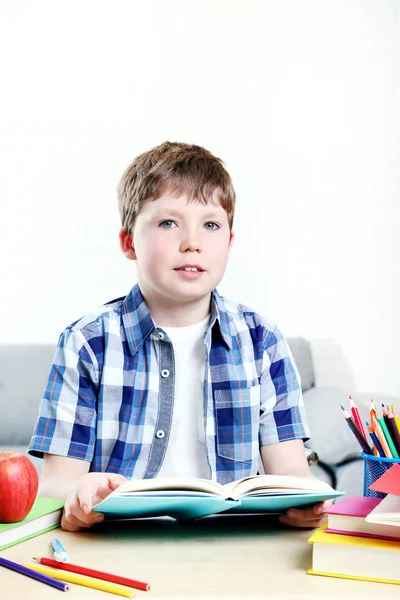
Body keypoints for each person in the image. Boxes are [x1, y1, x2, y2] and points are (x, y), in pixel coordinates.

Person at [29, 141, 330, 532]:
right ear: (128, 242)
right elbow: (55, 483)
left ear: (229, 243)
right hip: (117, 540)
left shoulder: (263, 341)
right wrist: (80, 491)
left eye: (210, 225)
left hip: (233, 541)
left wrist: (307, 500)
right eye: (168, 223)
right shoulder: (88, 342)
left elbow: (290, 470)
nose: (193, 241)